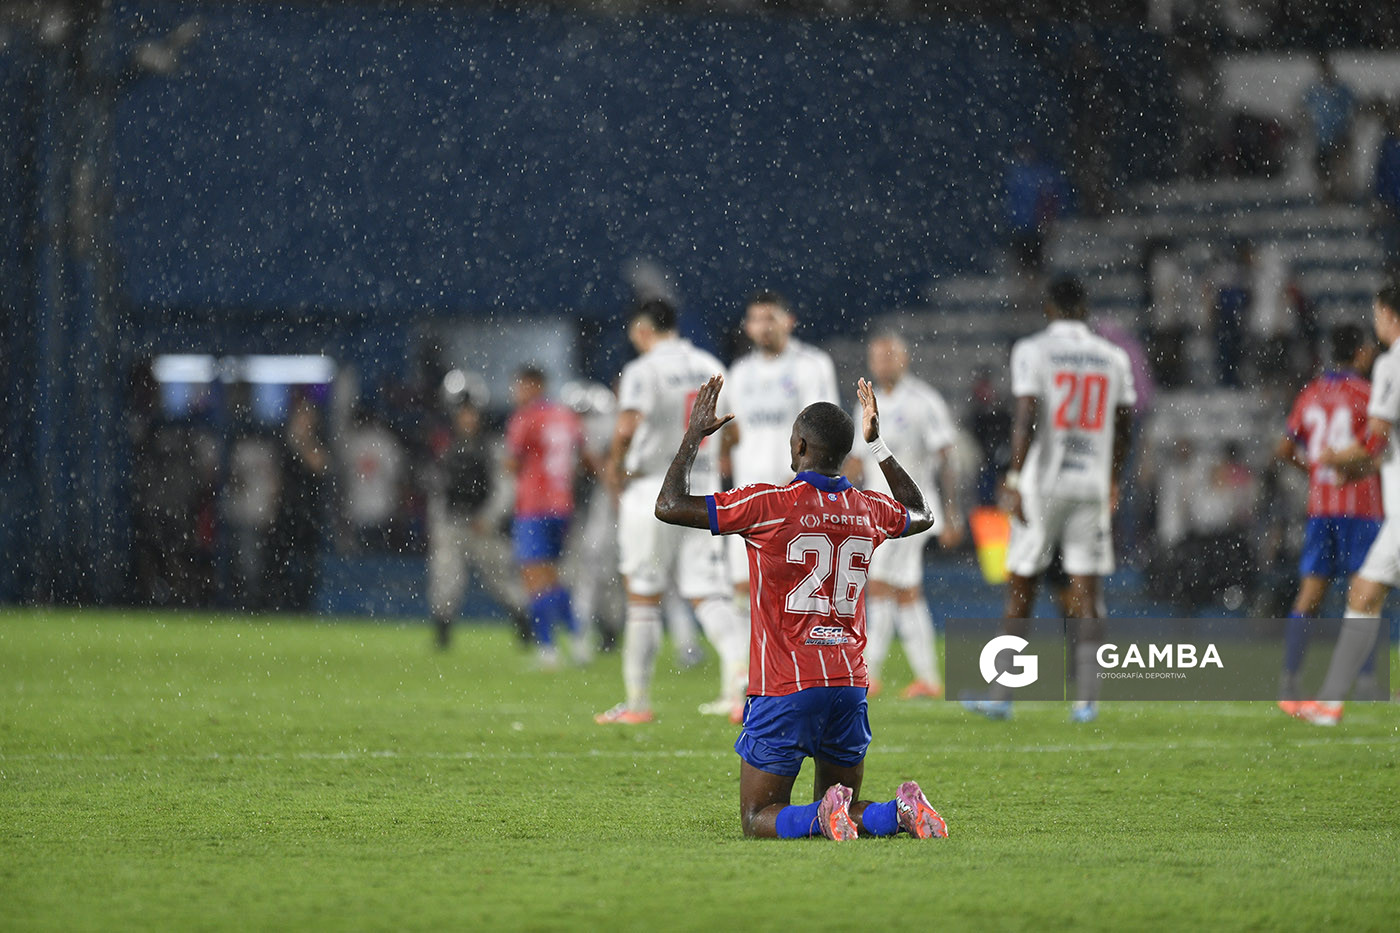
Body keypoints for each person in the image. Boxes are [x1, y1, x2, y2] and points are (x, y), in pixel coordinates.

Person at [653, 374, 948, 840]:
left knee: (758, 816)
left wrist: (693, 437)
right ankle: (898, 812)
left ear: (801, 446)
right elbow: (921, 513)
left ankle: (818, 819)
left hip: (785, 684)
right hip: (848, 683)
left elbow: (669, 505)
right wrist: (877, 445)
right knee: (840, 805)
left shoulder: (768, 503)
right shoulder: (868, 509)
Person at [964, 276, 1135, 723]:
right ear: (1085, 308)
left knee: (1022, 587)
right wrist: (1113, 478)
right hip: (1091, 482)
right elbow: (1124, 424)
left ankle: (1001, 694)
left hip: (1043, 484)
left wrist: (1014, 476)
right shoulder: (1113, 357)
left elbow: (1026, 415)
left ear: (1049, 308)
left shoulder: (1033, 350)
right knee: (1087, 591)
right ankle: (1087, 699)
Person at [595, 300, 748, 724]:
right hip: (702, 494)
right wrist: (712, 458)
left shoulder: (643, 370)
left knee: (643, 597)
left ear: (642, 329)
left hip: (653, 489)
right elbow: (734, 432)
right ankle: (742, 684)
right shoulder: (710, 365)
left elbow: (626, 427)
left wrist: (615, 468)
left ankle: (637, 703)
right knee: (709, 595)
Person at [1285, 281, 1400, 725]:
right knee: (1363, 593)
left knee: (1337, 593)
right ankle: (1336, 700)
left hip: (1343, 509)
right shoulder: (1371, 379)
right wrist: (1359, 467)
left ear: (1388, 314)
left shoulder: (1389, 365)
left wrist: (1334, 460)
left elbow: (1376, 438)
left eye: (1377, 313)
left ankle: (1305, 688)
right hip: (1373, 512)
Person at [724, 290, 840, 712]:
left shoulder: (812, 365)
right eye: (756, 319)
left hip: (795, 499)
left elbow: (824, 426)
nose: (764, 326)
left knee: (798, 594)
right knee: (743, 589)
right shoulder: (739, 373)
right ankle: (745, 683)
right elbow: (733, 431)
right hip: (749, 499)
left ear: (789, 320)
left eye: (771, 317)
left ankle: (805, 681)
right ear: (747, 326)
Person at [844, 333, 963, 699]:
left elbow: (947, 458)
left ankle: (868, 672)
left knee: (880, 585)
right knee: (905, 592)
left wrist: (953, 512)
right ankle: (927, 678)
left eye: (889, 356)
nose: (883, 363)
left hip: (911, 511)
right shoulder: (865, 404)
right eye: (877, 357)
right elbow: (856, 461)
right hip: (876, 512)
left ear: (904, 359)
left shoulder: (924, 401)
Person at [1274, 324, 1382, 701]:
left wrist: (1314, 472)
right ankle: (1365, 682)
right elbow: (1378, 445)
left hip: (1321, 508)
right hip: (1360, 506)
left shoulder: (1311, 393)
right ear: (1360, 353)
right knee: (1364, 594)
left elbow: (1284, 449)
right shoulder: (1367, 394)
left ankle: (1289, 678)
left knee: (1310, 595)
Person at [504, 365, 589, 668]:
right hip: (562, 505)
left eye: (520, 385)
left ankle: (548, 649)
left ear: (534, 386)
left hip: (534, 506)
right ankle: (579, 641)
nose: (516, 391)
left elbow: (511, 463)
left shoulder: (525, 417)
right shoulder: (565, 416)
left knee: (533, 578)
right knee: (550, 578)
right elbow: (583, 457)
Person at [427, 391, 523, 650]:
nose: (467, 418)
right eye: (463, 413)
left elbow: (506, 488)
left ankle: (525, 625)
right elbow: (438, 491)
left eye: (471, 413)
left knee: (501, 580)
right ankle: (442, 633)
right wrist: (436, 525)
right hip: (453, 522)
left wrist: (489, 518)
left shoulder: (492, 446)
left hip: (482, 525)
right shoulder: (447, 447)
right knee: (445, 579)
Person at [268, 391, 329, 612]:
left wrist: (302, 442)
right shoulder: (284, 443)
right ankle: (279, 604)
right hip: (286, 511)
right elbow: (276, 479)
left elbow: (321, 466)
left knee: (307, 565)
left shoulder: (315, 442)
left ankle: (304, 606)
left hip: (308, 514)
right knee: (279, 563)